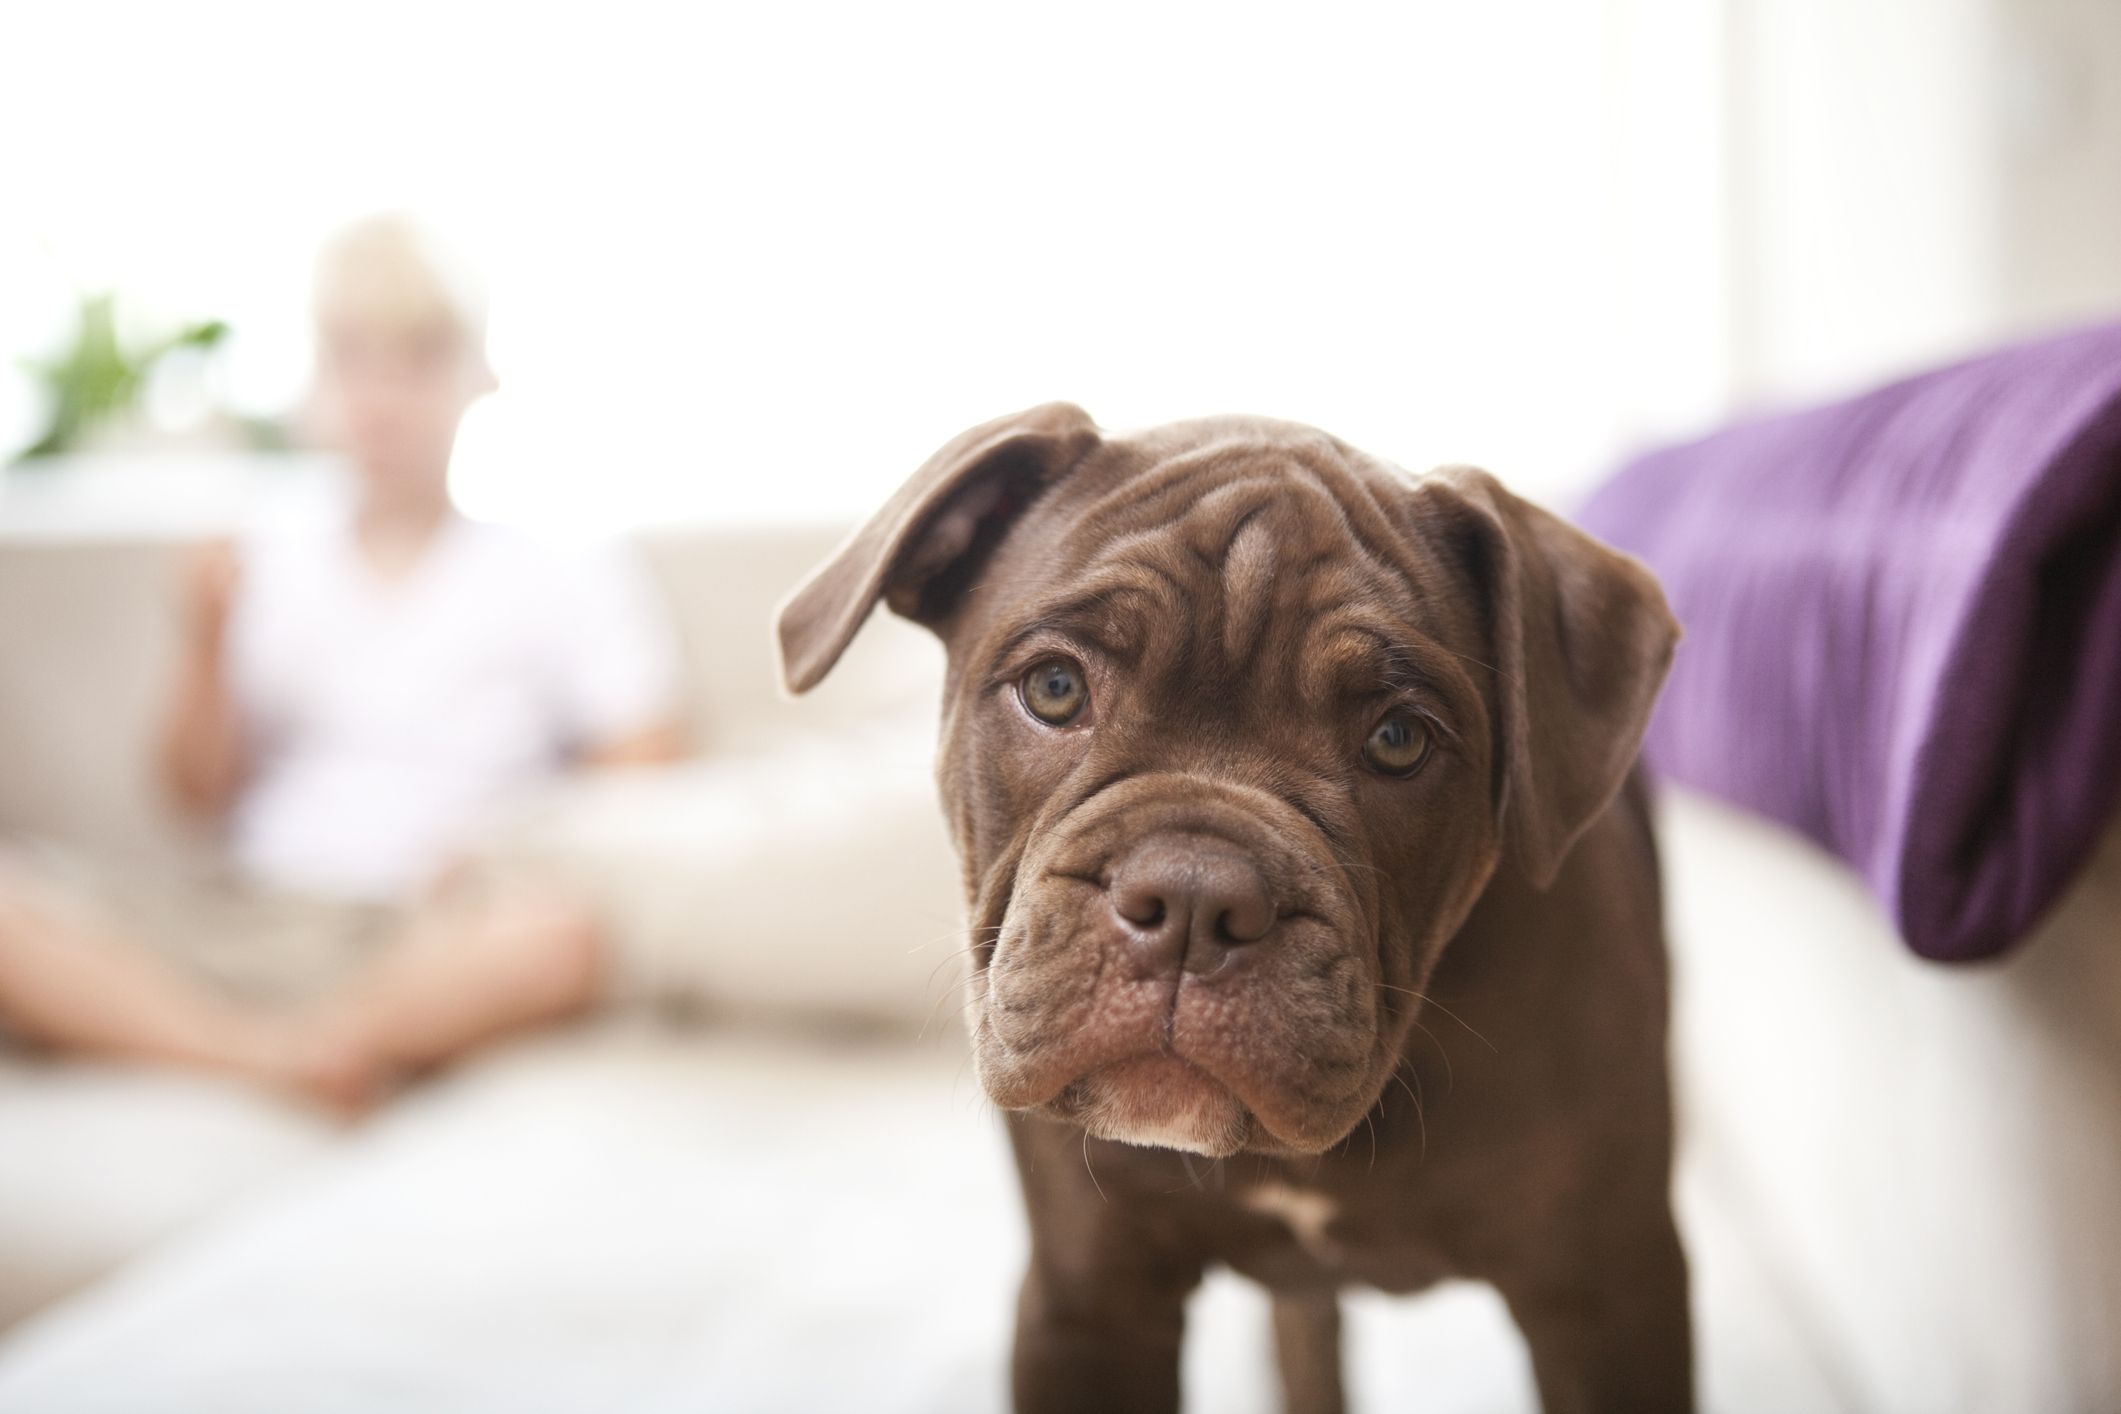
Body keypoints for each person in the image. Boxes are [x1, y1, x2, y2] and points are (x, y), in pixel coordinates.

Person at [0, 213, 685, 1109]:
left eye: (417, 358)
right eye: (352, 357)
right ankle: (275, 1059)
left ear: (480, 374)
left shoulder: (562, 564)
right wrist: (202, 643)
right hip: (248, 907)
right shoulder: (261, 550)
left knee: (561, 940)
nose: (382, 395)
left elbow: (647, 779)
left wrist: (503, 850)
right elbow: (192, 798)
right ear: (315, 380)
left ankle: (277, 1042)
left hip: (424, 931)